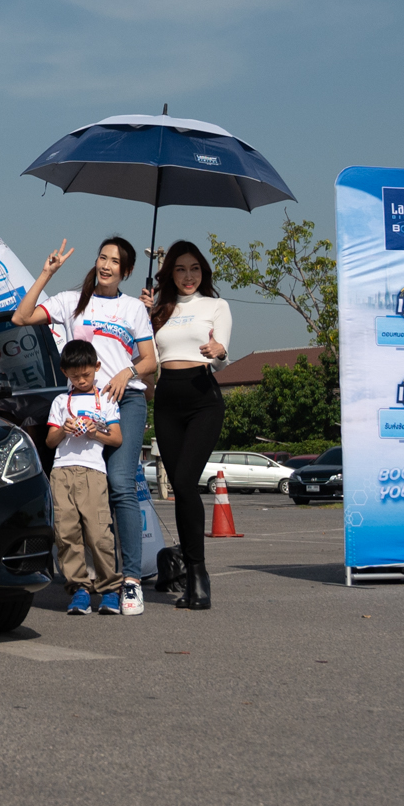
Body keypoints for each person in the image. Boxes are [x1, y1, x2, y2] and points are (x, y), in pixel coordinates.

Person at [15, 236, 158, 615]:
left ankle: (130, 581)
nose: (106, 265)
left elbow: (150, 360)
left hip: (124, 402)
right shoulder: (70, 301)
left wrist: (126, 373)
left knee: (120, 485)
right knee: (79, 502)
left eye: (115, 261)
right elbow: (21, 317)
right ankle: (84, 582)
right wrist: (46, 273)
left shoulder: (132, 308)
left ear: (126, 270)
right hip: (79, 407)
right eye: (102, 258)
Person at [146, 239, 232, 611]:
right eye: (180, 269)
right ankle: (189, 570)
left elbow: (222, 355)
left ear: (203, 271)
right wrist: (144, 315)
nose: (188, 276)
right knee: (182, 492)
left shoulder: (216, 305)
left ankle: (198, 573)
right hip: (167, 400)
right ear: (170, 274)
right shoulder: (158, 309)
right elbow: (147, 357)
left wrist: (219, 351)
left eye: (194, 268)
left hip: (202, 398)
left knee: (183, 482)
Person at [46, 340, 122, 615]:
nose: (80, 380)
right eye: (74, 375)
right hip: (62, 471)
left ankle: (110, 590)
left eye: (86, 374)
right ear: (64, 372)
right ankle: (79, 589)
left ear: (96, 367)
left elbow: (116, 438)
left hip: (93, 472)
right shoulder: (60, 401)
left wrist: (94, 432)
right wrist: (64, 429)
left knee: (99, 533)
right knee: (66, 533)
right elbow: (50, 441)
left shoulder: (107, 400)